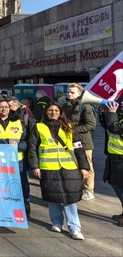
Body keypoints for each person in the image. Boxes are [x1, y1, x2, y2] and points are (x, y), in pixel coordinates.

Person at [28, 101, 90, 240]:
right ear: (46, 112)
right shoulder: (38, 127)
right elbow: (32, 148)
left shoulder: (69, 127)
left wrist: (84, 167)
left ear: (60, 112)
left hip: (69, 167)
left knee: (70, 197)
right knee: (53, 196)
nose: (54, 113)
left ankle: (74, 227)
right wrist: (35, 166)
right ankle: (56, 222)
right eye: (50, 110)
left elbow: (79, 148)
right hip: (49, 167)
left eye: (56, 110)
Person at [0, 100, 29, 214]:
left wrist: (17, 146)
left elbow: (25, 142)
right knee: (0, 184)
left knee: (21, 183)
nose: (4, 109)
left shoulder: (18, 121)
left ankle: (24, 204)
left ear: (10, 108)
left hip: (17, 159)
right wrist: (6, 143)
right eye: (1, 107)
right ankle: (0, 207)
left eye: (6, 107)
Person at [63, 83, 97, 201]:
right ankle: (79, 187)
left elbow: (91, 125)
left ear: (79, 93)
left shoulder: (85, 105)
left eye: (72, 92)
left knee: (88, 165)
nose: (69, 94)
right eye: (68, 92)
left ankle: (89, 190)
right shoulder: (65, 106)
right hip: (69, 141)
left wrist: (74, 130)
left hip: (84, 142)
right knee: (75, 165)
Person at [102, 101, 123, 226]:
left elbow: (114, 128)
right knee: (115, 183)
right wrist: (106, 112)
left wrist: (111, 113)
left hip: (121, 158)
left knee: (118, 184)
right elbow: (108, 125)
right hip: (115, 156)